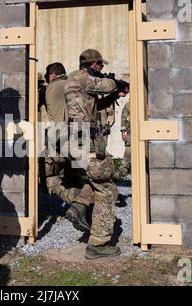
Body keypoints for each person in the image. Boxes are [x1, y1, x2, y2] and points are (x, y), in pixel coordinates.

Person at [64, 49, 127, 259]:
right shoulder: (82, 77)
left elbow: (92, 105)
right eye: (100, 66)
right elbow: (106, 84)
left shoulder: (76, 82)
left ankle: (79, 206)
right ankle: (98, 244)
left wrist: (113, 97)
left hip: (77, 141)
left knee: (95, 179)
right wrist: (117, 84)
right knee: (107, 189)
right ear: (93, 64)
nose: (101, 70)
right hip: (86, 143)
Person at [43, 62, 94, 232]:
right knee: (76, 176)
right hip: (78, 139)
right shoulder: (75, 85)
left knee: (50, 177)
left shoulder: (50, 87)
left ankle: (76, 199)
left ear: (52, 74)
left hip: (56, 140)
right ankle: (83, 206)